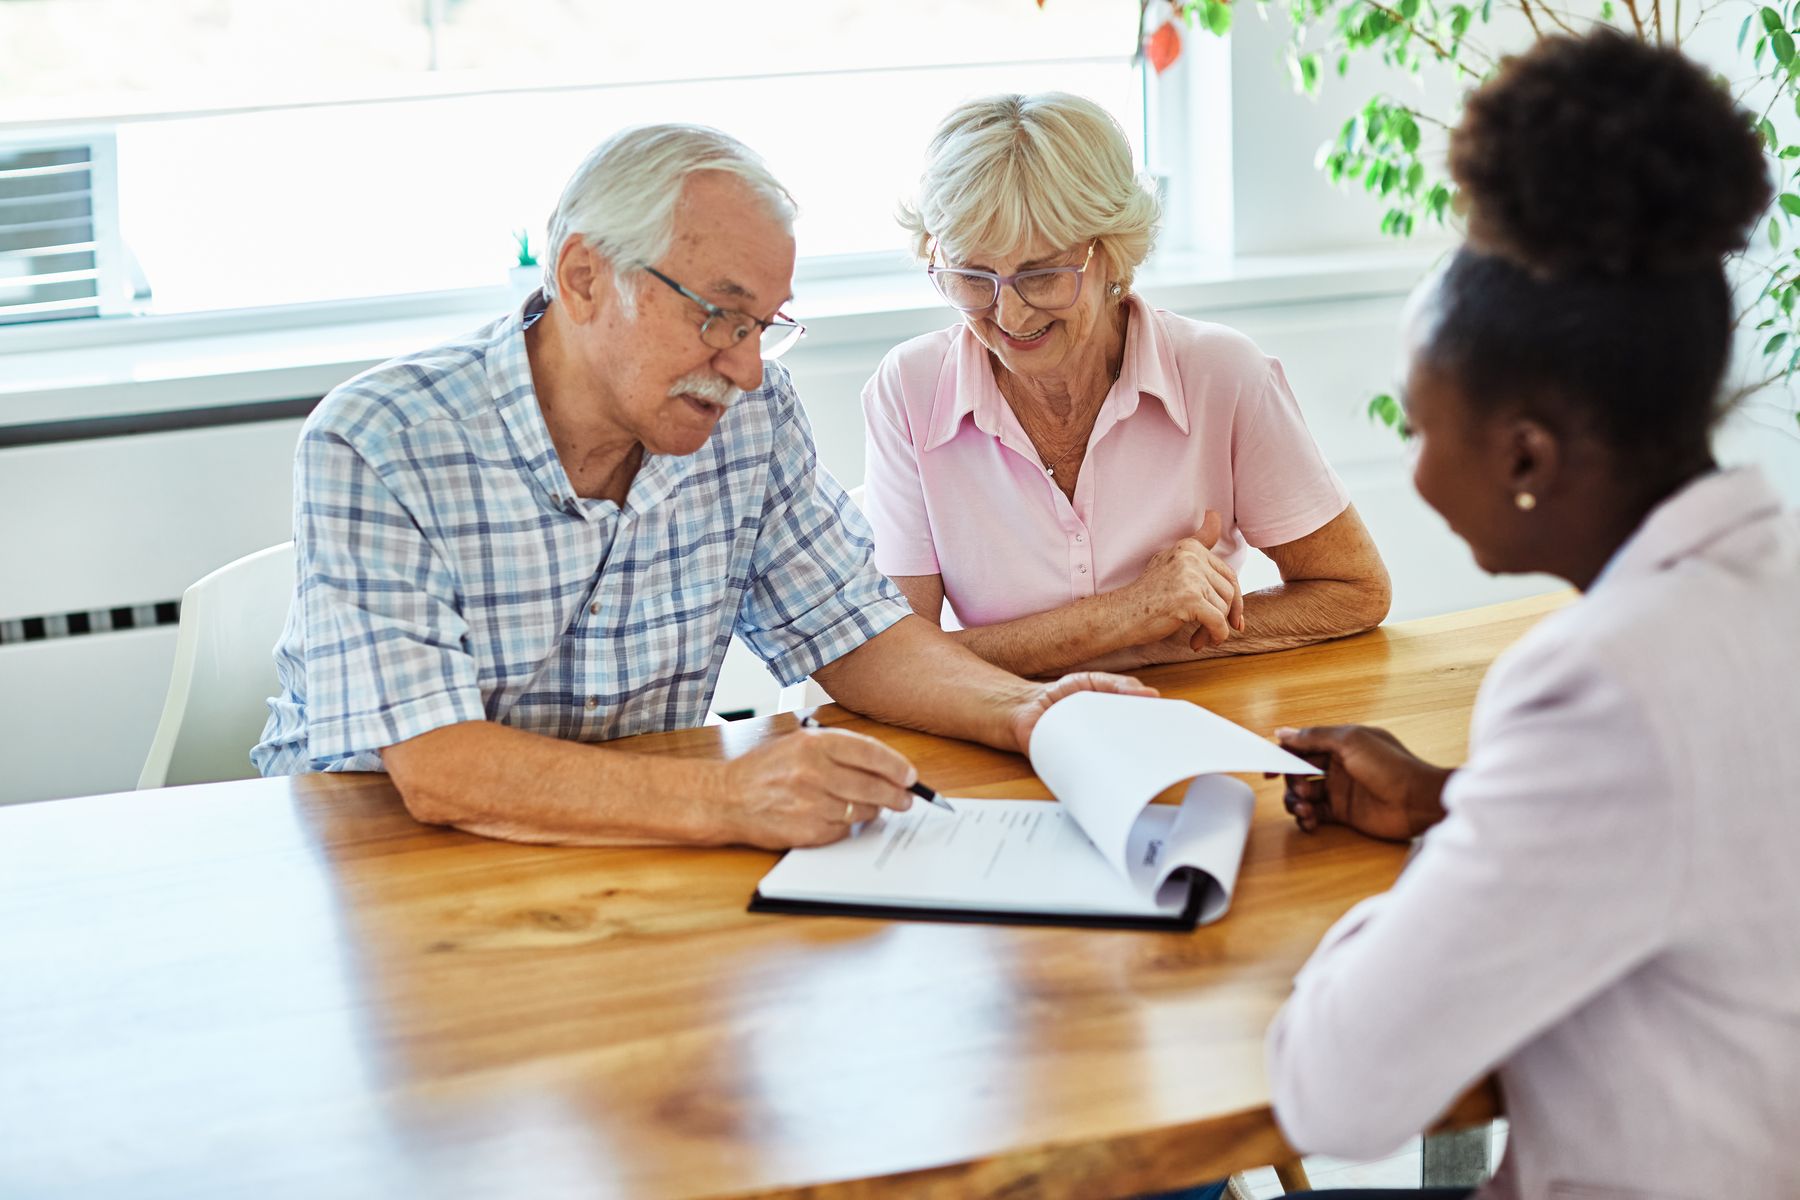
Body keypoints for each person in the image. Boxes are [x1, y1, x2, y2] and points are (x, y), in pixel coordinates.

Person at [252, 124, 1151, 848]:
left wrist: (1031, 711)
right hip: (386, 857)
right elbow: (437, 768)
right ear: (583, 278)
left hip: (641, 843)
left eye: (766, 324)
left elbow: (859, 634)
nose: (750, 370)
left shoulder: (750, 420)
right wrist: (727, 797)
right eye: (720, 316)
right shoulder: (380, 440)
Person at [1265, 30, 1800, 1199]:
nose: (1406, 470)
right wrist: (1455, 798)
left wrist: (1452, 855)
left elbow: (1336, 1095)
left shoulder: (1602, 683)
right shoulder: (1768, 601)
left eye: (1419, 426)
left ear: (1524, 456)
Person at [861, 92, 1391, 677]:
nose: (1009, 315)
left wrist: (1147, 644)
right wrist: (1131, 615)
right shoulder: (908, 389)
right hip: (997, 734)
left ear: (1111, 253)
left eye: (1042, 275)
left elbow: (1353, 590)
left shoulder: (1223, 374)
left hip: (1189, 720)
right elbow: (894, 657)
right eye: (972, 276)